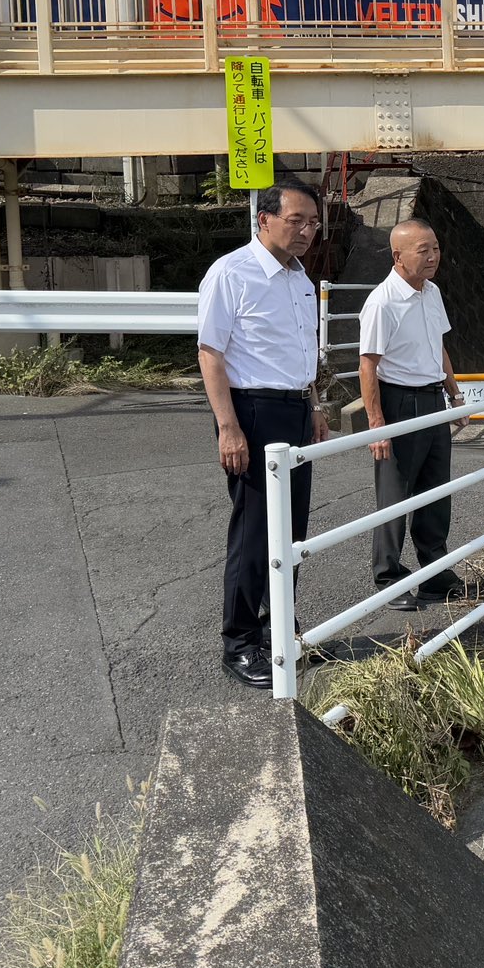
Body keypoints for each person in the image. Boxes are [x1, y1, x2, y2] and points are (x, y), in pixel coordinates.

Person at [197, 179, 327, 688]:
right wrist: (228, 427)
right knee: (254, 532)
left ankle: (279, 628)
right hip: (251, 410)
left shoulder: (301, 280)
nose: (306, 232)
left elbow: (302, 351)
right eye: (296, 221)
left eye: (312, 223)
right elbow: (211, 353)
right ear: (264, 219)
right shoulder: (232, 273)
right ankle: (240, 641)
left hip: (295, 408)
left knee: (292, 528)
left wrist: (313, 405)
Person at [360, 218, 468, 605]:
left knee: (436, 490)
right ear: (398, 257)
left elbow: (438, 347)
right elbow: (368, 365)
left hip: (431, 397)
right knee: (395, 494)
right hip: (398, 400)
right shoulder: (382, 301)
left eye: (435, 248)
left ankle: (434, 570)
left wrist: (455, 396)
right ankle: (388, 576)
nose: (433, 257)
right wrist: (378, 426)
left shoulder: (431, 292)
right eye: (423, 250)